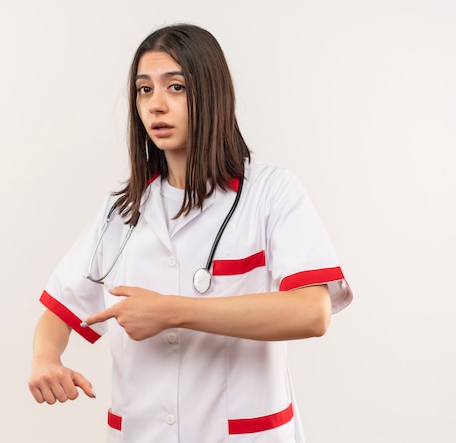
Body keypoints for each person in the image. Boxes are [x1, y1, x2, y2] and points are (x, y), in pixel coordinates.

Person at [28, 23, 353, 443]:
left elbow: (312, 313)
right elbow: (60, 308)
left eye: (176, 87)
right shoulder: (121, 212)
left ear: (212, 94)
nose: (155, 106)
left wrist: (173, 311)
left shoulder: (270, 194)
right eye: (144, 90)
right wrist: (45, 357)